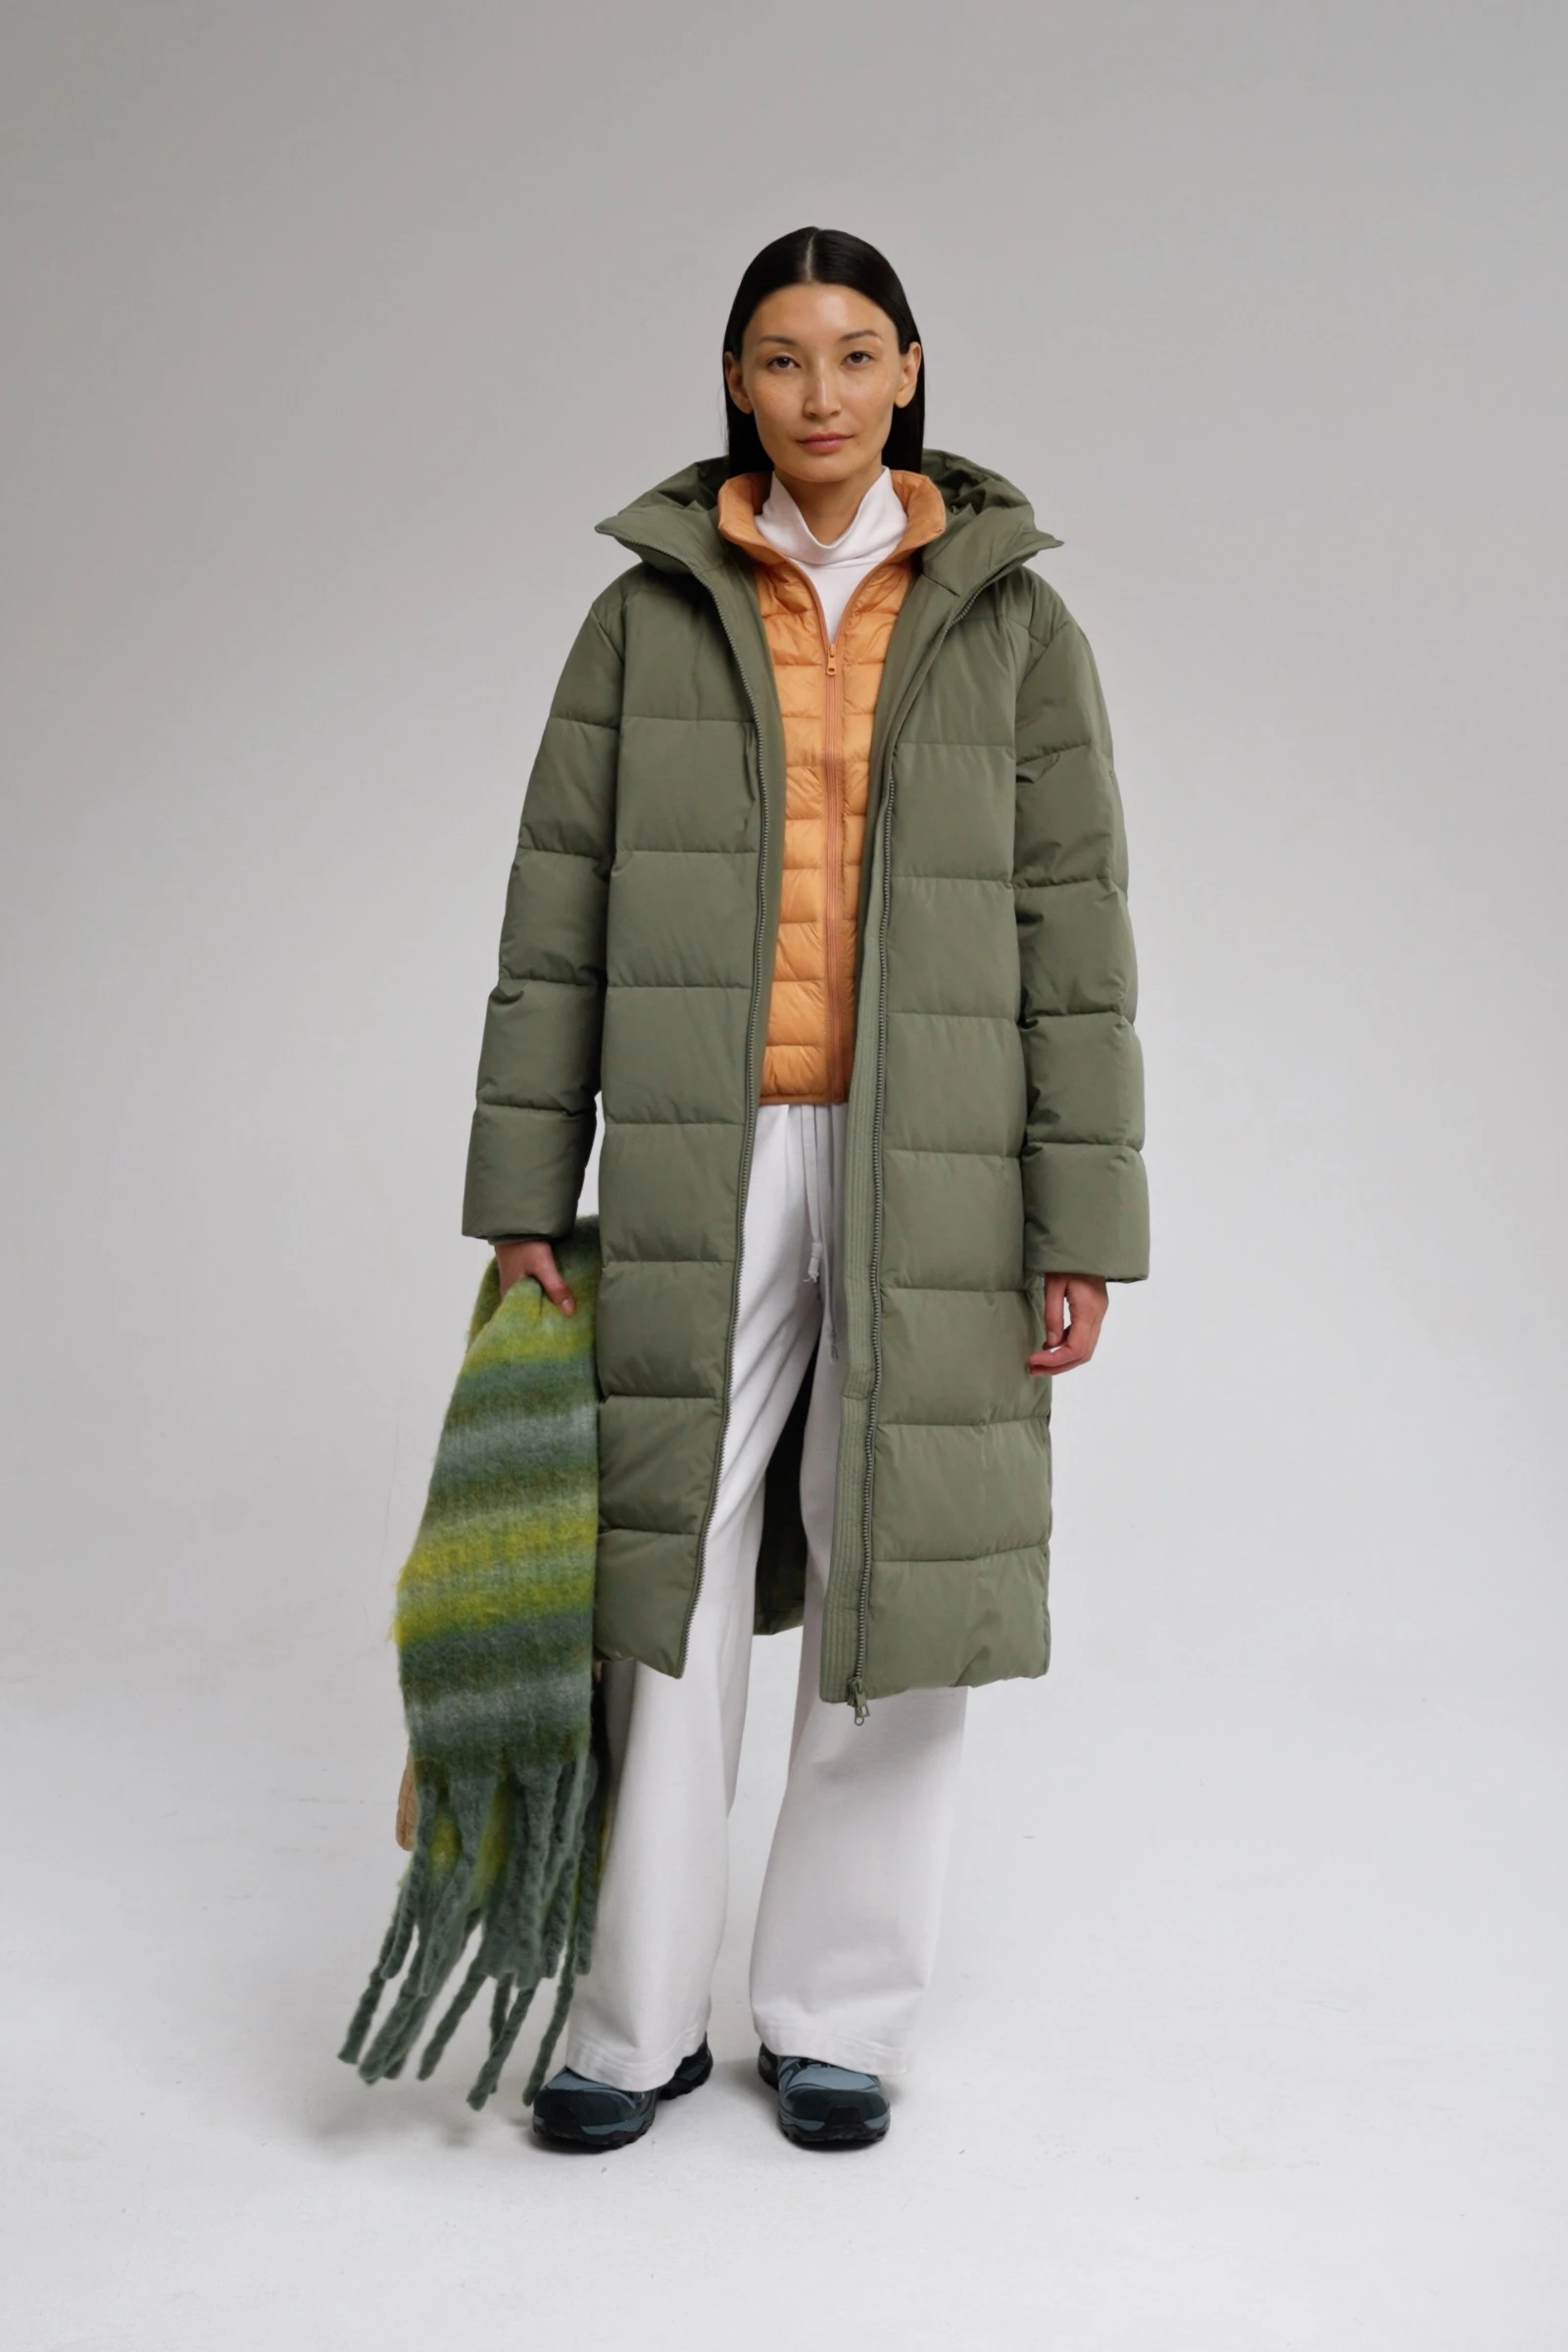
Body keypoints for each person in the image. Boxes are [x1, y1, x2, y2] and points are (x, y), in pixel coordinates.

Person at [462, 225, 1148, 2151]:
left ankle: (837, 2015)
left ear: (909, 372)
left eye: (855, 354)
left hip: (941, 1159)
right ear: (735, 382)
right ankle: (628, 2025)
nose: (821, 393)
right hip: (709, 1148)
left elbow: (1076, 939)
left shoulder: (1012, 626)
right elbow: (553, 914)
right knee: (655, 1567)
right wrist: (525, 1187)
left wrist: (1080, 1220)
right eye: (782, 357)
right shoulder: (645, 619)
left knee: (896, 1564)